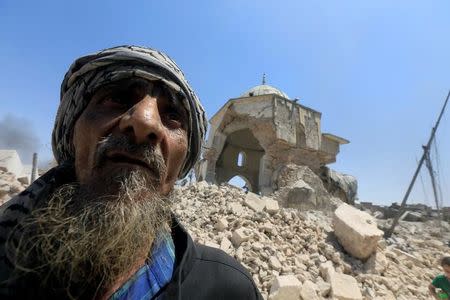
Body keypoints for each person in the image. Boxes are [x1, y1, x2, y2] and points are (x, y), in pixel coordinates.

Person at [0, 46, 263, 300]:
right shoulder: (7, 262)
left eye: (172, 115)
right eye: (118, 98)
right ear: (71, 134)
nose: (145, 122)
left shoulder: (228, 290)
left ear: (183, 161)